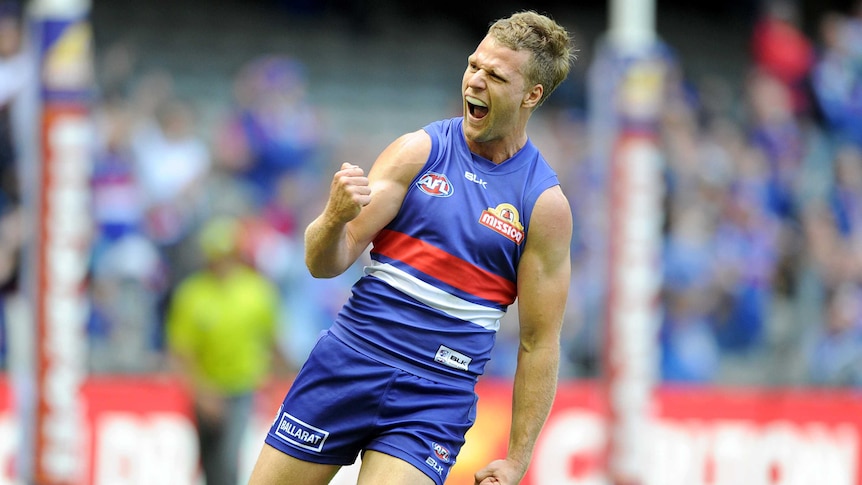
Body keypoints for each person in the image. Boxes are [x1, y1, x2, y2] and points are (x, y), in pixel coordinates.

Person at [249, 10, 574, 485]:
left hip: (435, 398)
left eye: (496, 75)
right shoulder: (418, 152)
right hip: (349, 362)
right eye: (474, 65)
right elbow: (324, 262)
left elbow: (539, 343)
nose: (476, 81)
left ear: (532, 95)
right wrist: (334, 217)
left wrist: (518, 458)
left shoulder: (542, 204)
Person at [165, 216, 288, 485]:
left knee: (228, 457)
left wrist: (288, 377)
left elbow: (273, 340)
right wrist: (202, 392)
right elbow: (182, 351)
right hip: (208, 386)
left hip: (243, 386)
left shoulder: (256, 291)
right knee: (209, 459)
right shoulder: (192, 294)